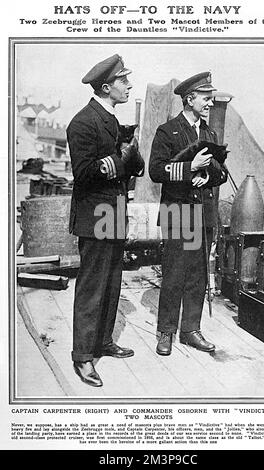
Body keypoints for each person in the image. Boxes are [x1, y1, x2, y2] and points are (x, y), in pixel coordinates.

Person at [67, 54, 144, 387]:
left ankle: (102, 342)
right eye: (123, 81)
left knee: (112, 282)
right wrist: (119, 157)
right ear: (106, 86)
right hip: (96, 212)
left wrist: (133, 157)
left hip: (112, 211)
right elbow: (83, 174)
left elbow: (128, 166)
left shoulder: (111, 119)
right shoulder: (83, 122)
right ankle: (83, 357)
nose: (128, 85)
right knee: (92, 287)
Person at [149, 71, 228, 356]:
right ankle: (166, 331)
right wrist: (190, 168)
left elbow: (221, 171)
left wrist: (207, 176)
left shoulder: (210, 133)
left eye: (210, 98)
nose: (209, 103)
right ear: (189, 99)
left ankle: (191, 330)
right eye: (205, 98)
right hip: (176, 213)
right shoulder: (166, 131)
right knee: (174, 273)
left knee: (197, 273)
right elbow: (156, 171)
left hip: (202, 215)